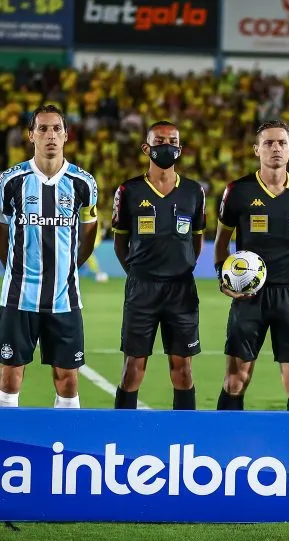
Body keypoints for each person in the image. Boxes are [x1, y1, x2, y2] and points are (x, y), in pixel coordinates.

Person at [214, 119, 289, 411]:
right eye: (268, 143)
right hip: (249, 297)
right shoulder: (237, 191)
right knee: (235, 380)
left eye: (282, 143)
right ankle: (225, 438)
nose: (275, 148)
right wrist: (223, 279)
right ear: (257, 150)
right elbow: (220, 244)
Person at [0, 104, 99, 409]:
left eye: (56, 129)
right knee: (10, 377)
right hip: (19, 296)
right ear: (31, 135)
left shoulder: (83, 182)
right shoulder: (11, 180)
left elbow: (89, 235)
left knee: (68, 379)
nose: (50, 135)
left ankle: (64, 438)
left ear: (66, 135)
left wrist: (70, 268)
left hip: (65, 298)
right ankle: (3, 435)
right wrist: (16, 269)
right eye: (43, 128)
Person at [110, 121, 206, 410]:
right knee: (132, 369)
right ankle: (122, 430)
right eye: (160, 141)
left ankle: (185, 433)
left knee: (183, 371)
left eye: (172, 141)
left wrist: (182, 267)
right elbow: (120, 243)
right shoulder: (128, 190)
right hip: (142, 289)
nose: (167, 146)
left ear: (180, 149)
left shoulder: (194, 191)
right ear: (146, 148)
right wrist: (137, 273)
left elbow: (197, 240)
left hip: (181, 290)